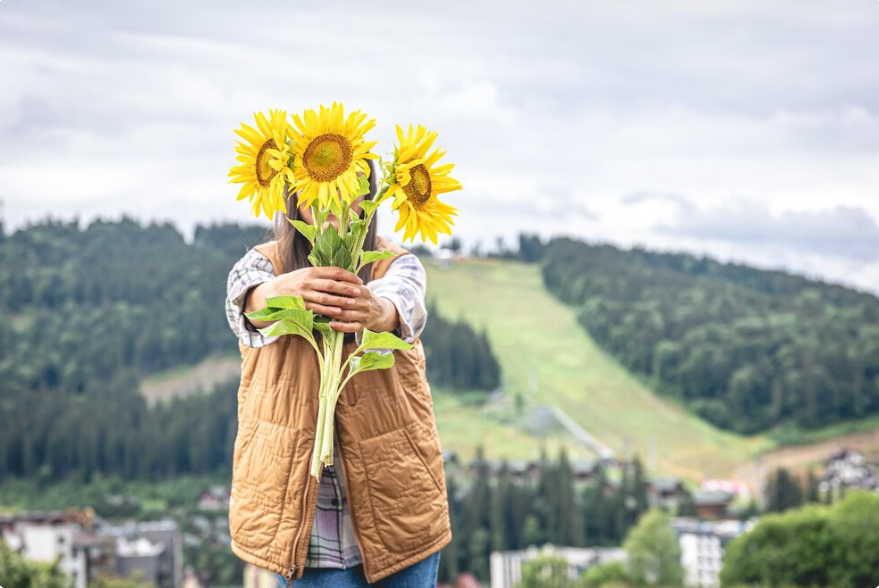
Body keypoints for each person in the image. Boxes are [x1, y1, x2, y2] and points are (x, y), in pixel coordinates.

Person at [224, 159, 451, 588]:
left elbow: (402, 307)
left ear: (368, 195)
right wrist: (281, 291)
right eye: (317, 183)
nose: (331, 199)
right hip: (301, 517)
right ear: (294, 195)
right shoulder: (264, 264)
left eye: (345, 185)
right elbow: (244, 304)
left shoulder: (394, 263)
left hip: (398, 505)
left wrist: (371, 310)